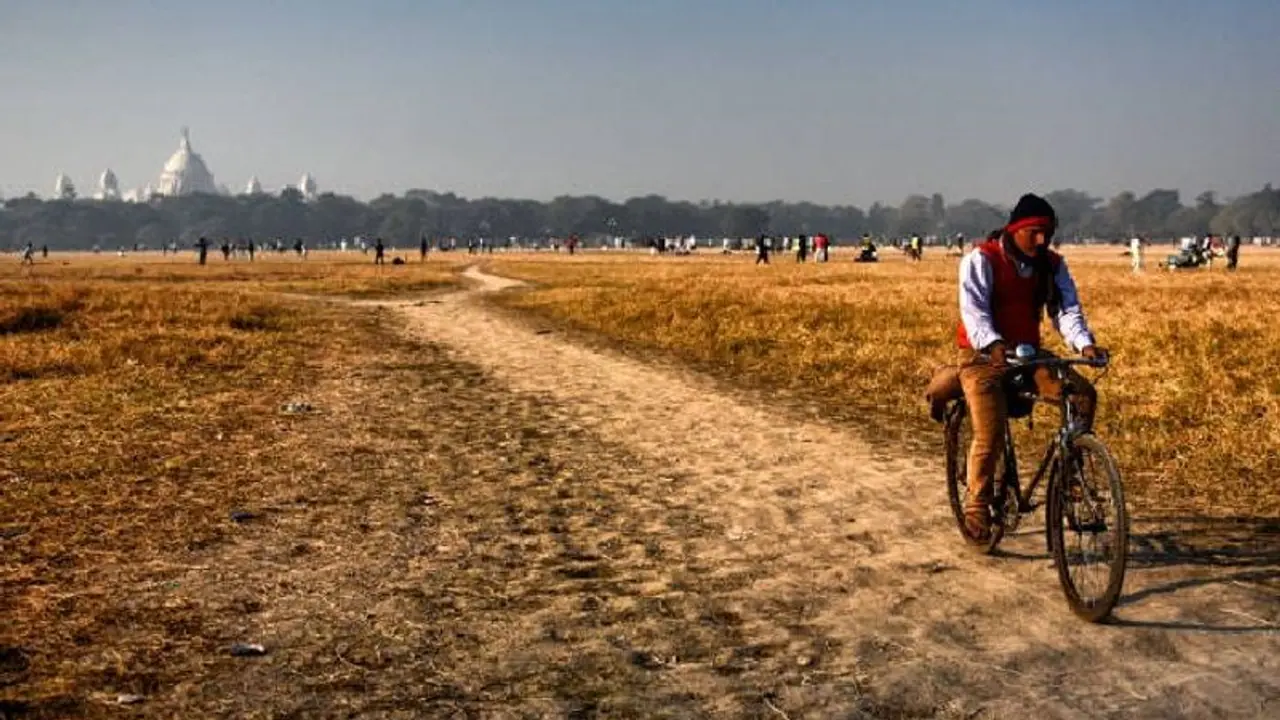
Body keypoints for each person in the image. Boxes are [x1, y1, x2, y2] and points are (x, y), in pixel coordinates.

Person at [955, 193, 1105, 540]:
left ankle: (1071, 478)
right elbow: (973, 311)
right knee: (989, 433)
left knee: (1081, 396)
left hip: (1027, 355)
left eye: (1047, 233)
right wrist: (992, 344)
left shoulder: (1052, 265)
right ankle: (977, 503)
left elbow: (1066, 310)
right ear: (1015, 229)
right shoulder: (982, 259)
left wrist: (1084, 343)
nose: (1041, 241)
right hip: (982, 358)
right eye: (1034, 232)